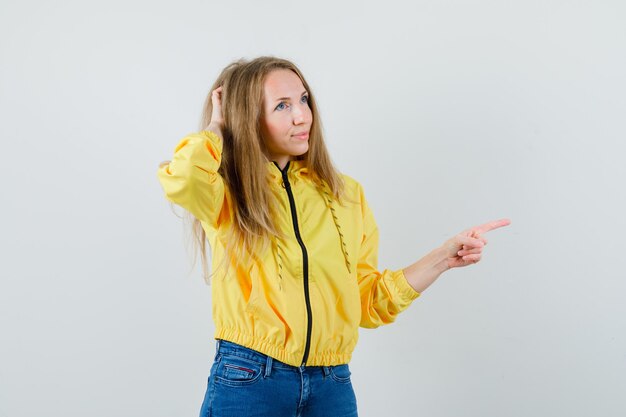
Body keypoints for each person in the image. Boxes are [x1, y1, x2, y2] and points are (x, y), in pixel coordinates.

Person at [157, 56, 511, 417]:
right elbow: (184, 177)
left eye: (304, 100)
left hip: (332, 385)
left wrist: (443, 258)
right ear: (248, 118)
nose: (302, 116)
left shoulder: (346, 195)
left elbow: (368, 301)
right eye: (282, 105)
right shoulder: (228, 191)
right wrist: (218, 128)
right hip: (249, 379)